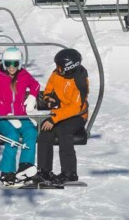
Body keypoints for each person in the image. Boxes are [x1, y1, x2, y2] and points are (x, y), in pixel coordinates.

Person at [36, 48, 88, 185]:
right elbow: (49, 88)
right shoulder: (57, 74)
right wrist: (48, 98)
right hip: (59, 112)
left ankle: (69, 172)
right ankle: (44, 170)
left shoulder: (79, 81)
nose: (56, 69)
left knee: (63, 131)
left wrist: (54, 118)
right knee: (45, 131)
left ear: (69, 67)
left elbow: (75, 107)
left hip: (77, 115)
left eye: (59, 66)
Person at [0, 47, 40, 185]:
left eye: (15, 63)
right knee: (12, 136)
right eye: (9, 63)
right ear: (4, 63)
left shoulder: (23, 74)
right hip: (2, 117)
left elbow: (35, 85)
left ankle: (25, 165)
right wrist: (8, 115)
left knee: (30, 131)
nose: (12, 67)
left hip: (20, 115)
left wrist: (32, 97)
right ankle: (7, 171)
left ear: (20, 63)